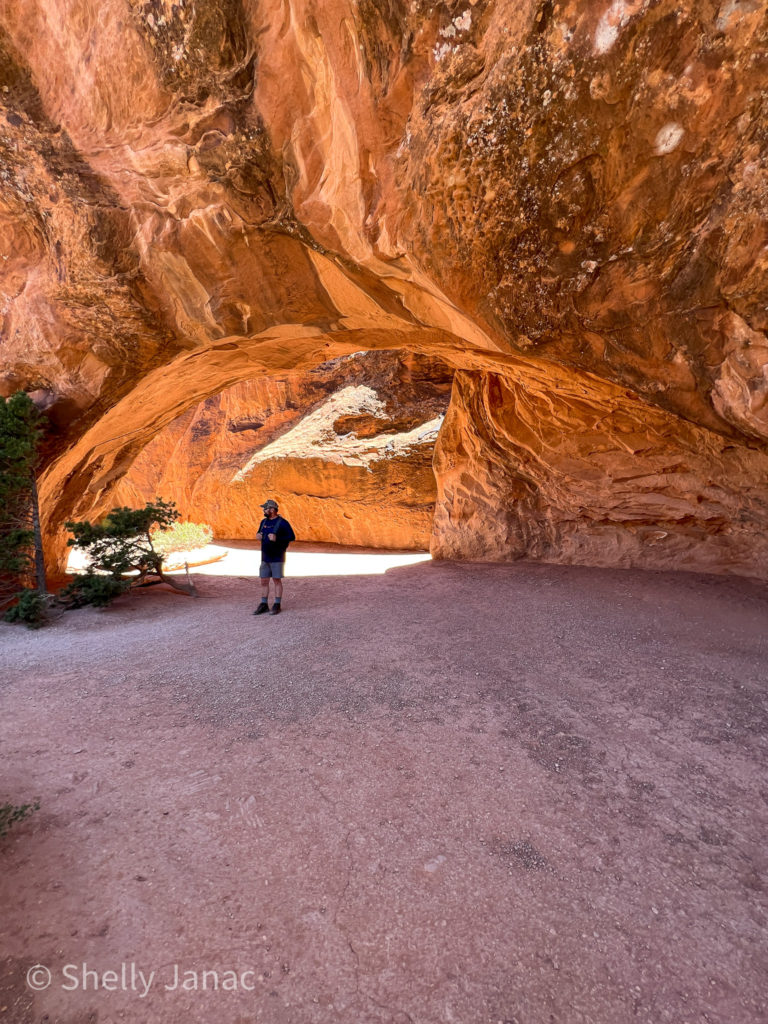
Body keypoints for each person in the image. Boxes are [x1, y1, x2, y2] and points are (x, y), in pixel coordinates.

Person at [253, 499, 296, 616]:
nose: (264, 511)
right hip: (265, 556)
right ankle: (264, 604)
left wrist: (277, 538)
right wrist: (258, 536)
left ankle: (277, 604)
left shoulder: (283, 523)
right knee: (264, 580)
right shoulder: (263, 522)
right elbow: (260, 533)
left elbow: (292, 537)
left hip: (277, 557)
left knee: (276, 580)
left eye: (265, 509)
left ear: (272, 510)